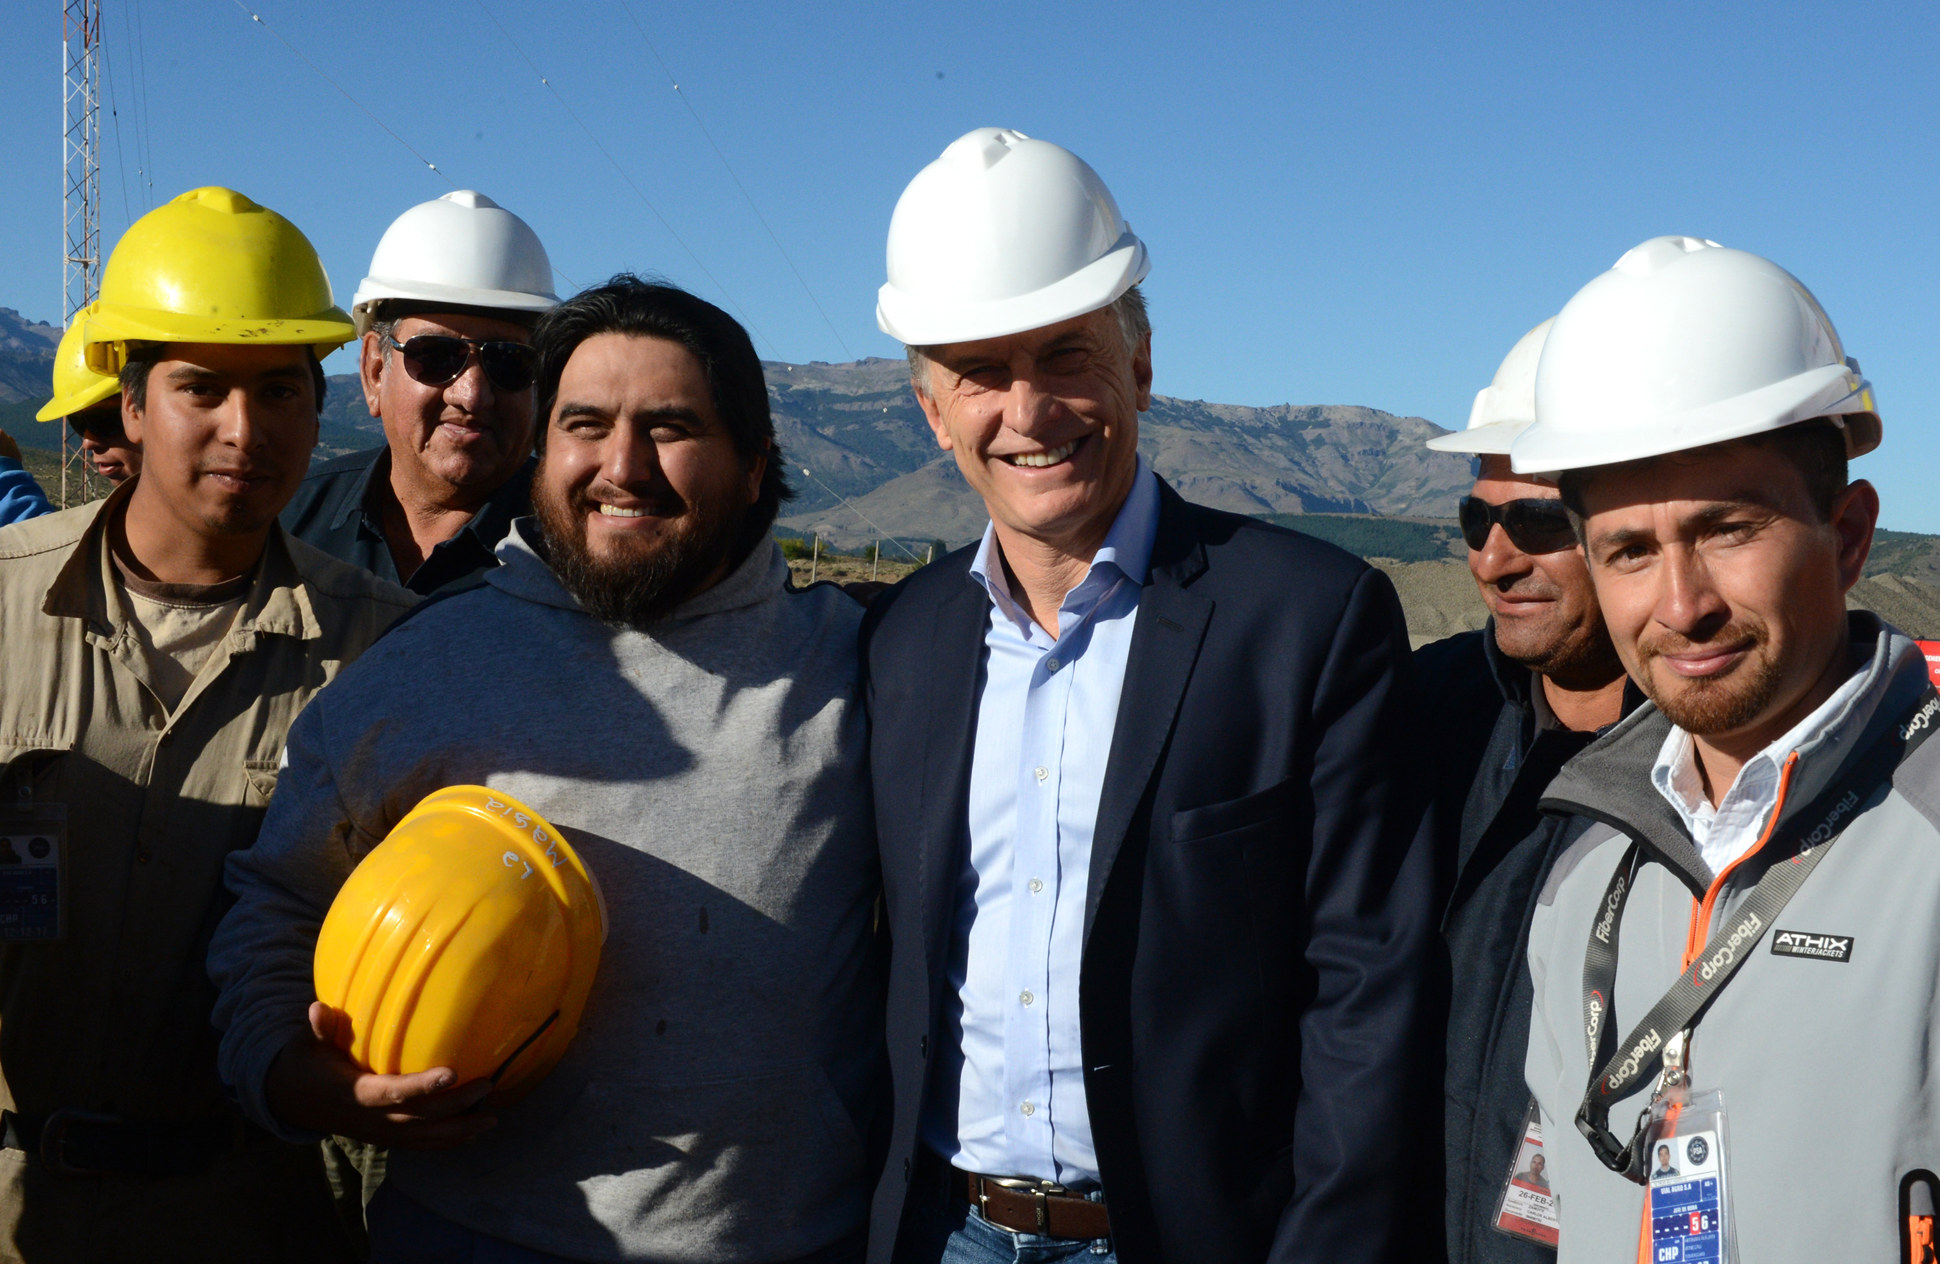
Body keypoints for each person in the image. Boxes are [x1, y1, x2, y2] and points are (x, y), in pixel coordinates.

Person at [209, 275, 882, 1264]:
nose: (622, 465)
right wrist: (295, 1075)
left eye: (669, 425)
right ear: (539, 454)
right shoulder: (425, 665)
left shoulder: (860, 667)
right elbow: (275, 902)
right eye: (584, 423)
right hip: (466, 1240)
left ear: (754, 465)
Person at [862, 128, 1436, 1264]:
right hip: (945, 1230)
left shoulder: (1307, 622)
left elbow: (1368, 993)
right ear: (933, 411)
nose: (1027, 411)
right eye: (980, 371)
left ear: (1138, 363)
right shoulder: (902, 640)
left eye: (1064, 355)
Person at [0, 185, 415, 1263]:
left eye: (281, 391)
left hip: (262, 1215)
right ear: (129, 407)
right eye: (202, 389)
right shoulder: (1, 607)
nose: (248, 429)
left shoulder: (393, 653)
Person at [1517, 236, 1938, 1263]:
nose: (1679, 605)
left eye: (1726, 530)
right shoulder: (1581, 872)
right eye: (1627, 551)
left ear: (1845, 535)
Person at [1417, 319, 1631, 1264]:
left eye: (1537, 521)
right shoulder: (1428, 714)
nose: (1494, 560)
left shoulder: (1718, 770)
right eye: (1478, 521)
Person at [280, 191, 557, 595]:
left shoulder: (580, 550)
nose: (471, 395)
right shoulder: (287, 524)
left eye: (509, 361)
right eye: (437, 356)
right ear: (375, 371)